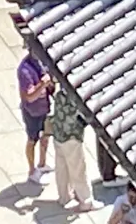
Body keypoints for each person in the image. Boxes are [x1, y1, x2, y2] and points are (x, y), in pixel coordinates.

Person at [49, 84, 94, 212]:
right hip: (71, 138)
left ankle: (64, 197)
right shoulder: (75, 100)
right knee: (78, 170)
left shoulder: (59, 96)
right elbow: (84, 118)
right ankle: (85, 201)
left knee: (61, 168)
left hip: (58, 135)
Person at [16, 49, 53, 184]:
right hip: (32, 111)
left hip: (45, 107)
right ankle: (32, 171)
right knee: (32, 139)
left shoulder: (42, 62)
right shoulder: (24, 70)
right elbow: (30, 96)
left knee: (46, 135)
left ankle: (42, 164)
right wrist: (43, 84)